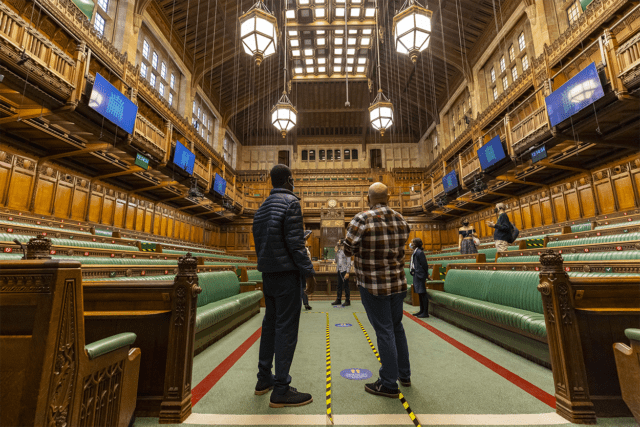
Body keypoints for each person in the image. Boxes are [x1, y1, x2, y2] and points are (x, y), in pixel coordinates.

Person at [252, 164, 318, 408]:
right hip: (287, 275)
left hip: (267, 274)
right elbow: (295, 244)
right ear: (290, 181)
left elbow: (260, 242)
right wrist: (308, 272)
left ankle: (263, 379)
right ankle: (280, 388)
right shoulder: (291, 203)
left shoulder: (261, 208)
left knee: (270, 325)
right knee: (286, 330)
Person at [343, 182, 412, 398]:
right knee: (396, 327)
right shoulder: (401, 219)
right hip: (398, 283)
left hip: (373, 285)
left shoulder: (362, 218)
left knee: (384, 331)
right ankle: (404, 374)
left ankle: (389, 383)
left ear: (368, 198)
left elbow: (347, 249)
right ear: (389, 197)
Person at [409, 238, 430, 318]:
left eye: (412, 242)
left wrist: (426, 274)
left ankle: (425, 312)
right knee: (420, 294)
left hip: (420, 275)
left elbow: (425, 265)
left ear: (416, 244)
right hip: (416, 275)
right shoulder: (415, 252)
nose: (410, 244)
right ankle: (421, 311)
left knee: (422, 293)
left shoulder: (419, 252)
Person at [332, 239, 351, 307]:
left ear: (343, 244)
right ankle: (338, 299)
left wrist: (348, 272)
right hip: (339, 270)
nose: (339, 245)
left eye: (340, 244)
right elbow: (336, 261)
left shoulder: (347, 252)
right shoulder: (339, 251)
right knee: (339, 286)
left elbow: (349, 263)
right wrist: (336, 252)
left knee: (346, 286)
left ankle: (347, 300)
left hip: (345, 271)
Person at [301, 231, 313, 311]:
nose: (307, 242)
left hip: (304, 270)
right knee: (301, 287)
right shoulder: (301, 249)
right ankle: (304, 304)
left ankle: (306, 304)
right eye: (306, 240)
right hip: (300, 270)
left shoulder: (305, 249)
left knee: (303, 287)